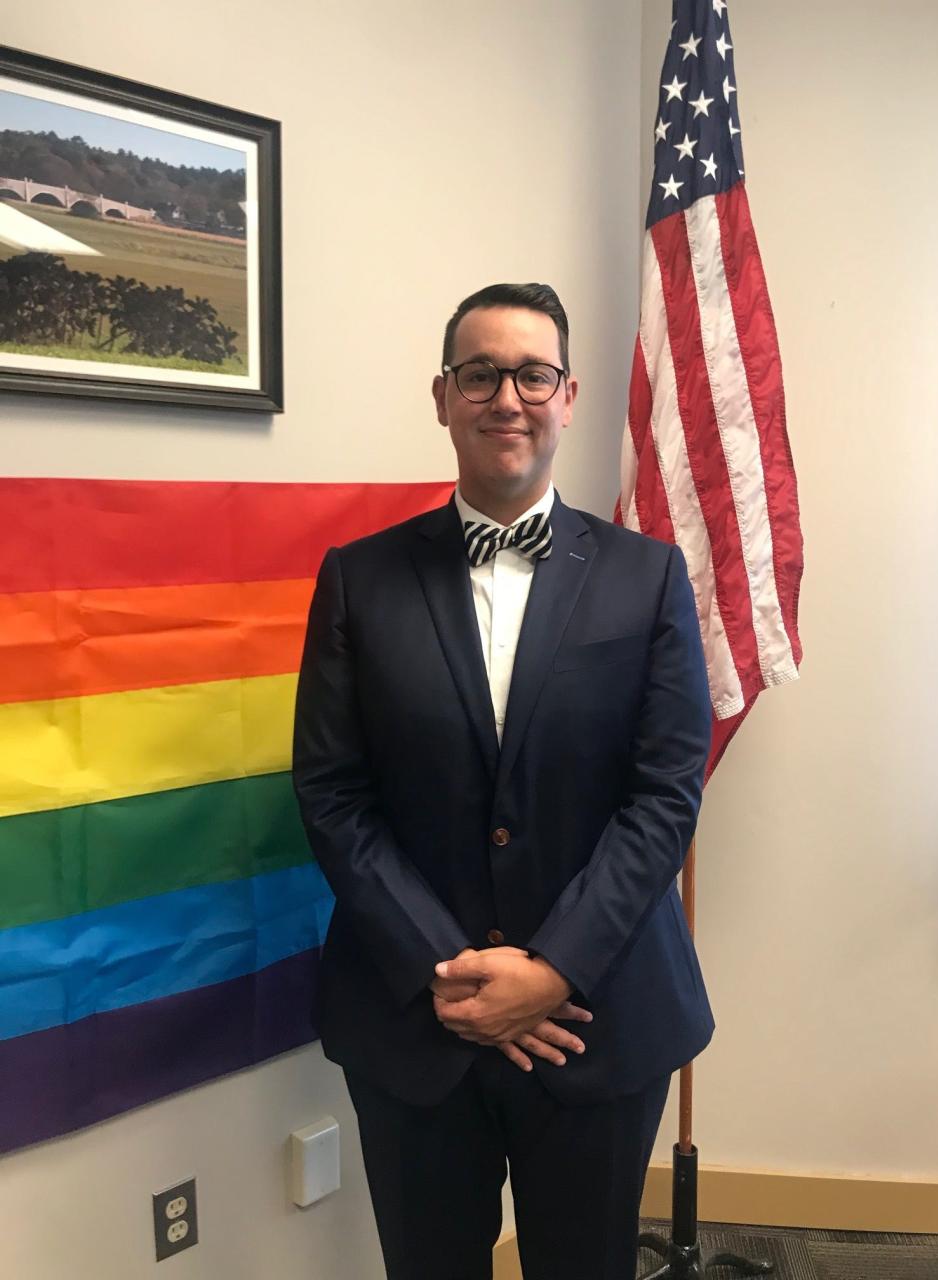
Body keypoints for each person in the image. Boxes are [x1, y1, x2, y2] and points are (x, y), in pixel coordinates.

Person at [292, 282, 714, 1280]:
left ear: (568, 397)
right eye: (480, 372)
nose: (507, 396)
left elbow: (664, 794)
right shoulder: (358, 576)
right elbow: (332, 789)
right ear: (443, 396)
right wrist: (453, 971)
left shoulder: (648, 576)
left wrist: (552, 969)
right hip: (411, 1013)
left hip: (598, 1015)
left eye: (532, 373)